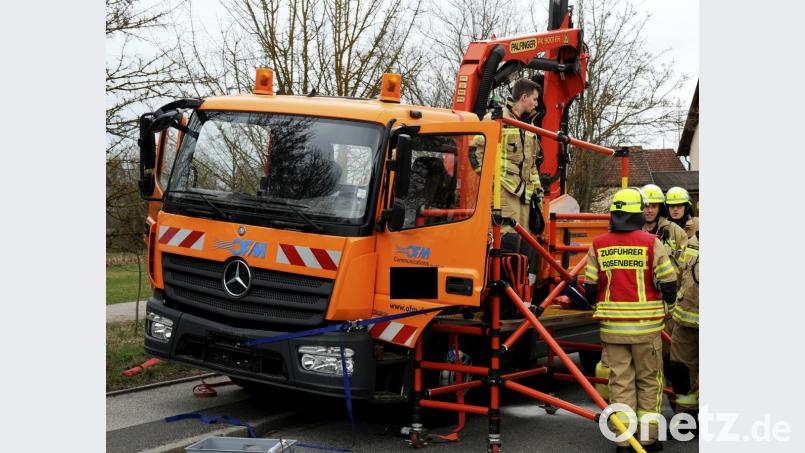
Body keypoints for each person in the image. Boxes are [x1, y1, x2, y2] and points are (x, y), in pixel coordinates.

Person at [584, 188, 677, 452]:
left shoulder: (599, 244)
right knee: (649, 382)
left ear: (614, 213)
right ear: (638, 212)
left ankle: (624, 441)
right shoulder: (651, 242)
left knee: (620, 383)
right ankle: (648, 439)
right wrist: (667, 302)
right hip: (646, 330)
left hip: (612, 329)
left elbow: (590, 287)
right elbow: (669, 283)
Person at [470, 78, 544, 280]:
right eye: (534, 100)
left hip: (523, 194)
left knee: (527, 239)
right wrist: (490, 181)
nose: (536, 104)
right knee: (506, 237)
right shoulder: (496, 118)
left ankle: (520, 290)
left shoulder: (528, 125)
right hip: (503, 191)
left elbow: (532, 165)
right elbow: (474, 151)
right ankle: (502, 291)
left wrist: (538, 192)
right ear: (524, 97)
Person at [668, 233, 700, 434]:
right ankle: (686, 421)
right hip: (684, 323)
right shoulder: (692, 242)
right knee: (680, 373)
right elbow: (679, 276)